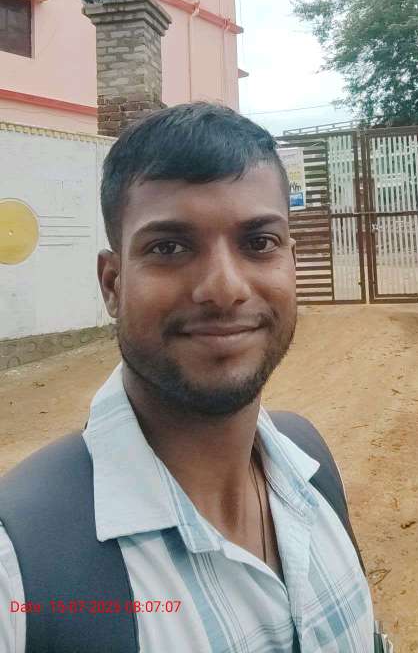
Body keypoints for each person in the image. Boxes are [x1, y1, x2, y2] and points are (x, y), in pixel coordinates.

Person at [0, 102, 374, 652]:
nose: (224, 289)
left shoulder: (311, 473)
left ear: (291, 263)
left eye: (259, 243)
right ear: (112, 285)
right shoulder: (19, 571)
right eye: (169, 248)